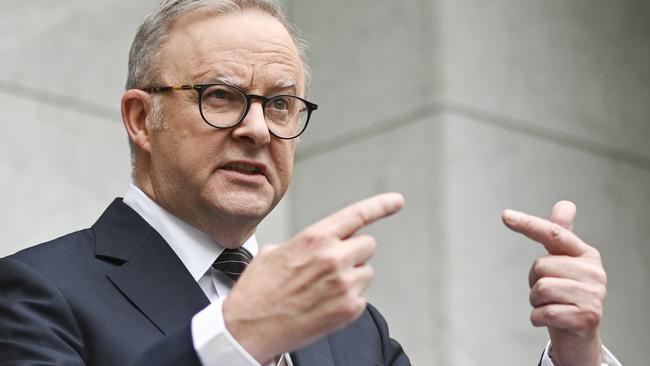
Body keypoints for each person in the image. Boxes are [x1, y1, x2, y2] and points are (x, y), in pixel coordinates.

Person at [0, 1, 620, 365]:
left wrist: (575, 353)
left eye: (279, 104)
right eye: (221, 96)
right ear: (141, 119)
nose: (256, 129)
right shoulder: (36, 292)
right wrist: (237, 337)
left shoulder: (352, 329)